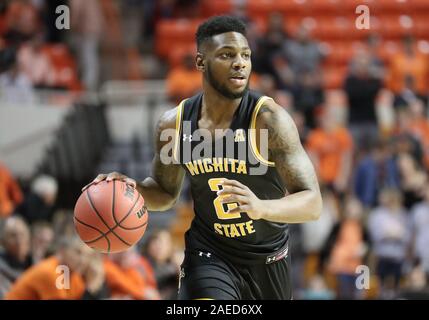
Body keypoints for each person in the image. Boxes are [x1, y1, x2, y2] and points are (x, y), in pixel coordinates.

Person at [87, 16, 322, 300]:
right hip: (209, 252)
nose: (240, 63)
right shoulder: (173, 124)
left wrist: (261, 208)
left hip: (268, 258)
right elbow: (165, 193)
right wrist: (131, 190)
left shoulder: (269, 120)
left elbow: (312, 202)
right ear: (200, 62)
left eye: (245, 55)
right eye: (227, 55)